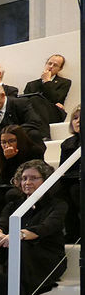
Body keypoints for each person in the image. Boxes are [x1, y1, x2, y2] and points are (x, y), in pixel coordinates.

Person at [0, 160, 68, 295]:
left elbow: (46, 228)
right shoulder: (13, 205)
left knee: (18, 247)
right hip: (16, 254)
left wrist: (17, 235)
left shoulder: (58, 205)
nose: (27, 182)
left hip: (46, 257)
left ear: (46, 181)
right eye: (24, 178)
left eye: (33, 178)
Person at [0, 124, 46, 212]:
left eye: (11, 141)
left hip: (29, 185)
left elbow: (32, 174)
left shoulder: (34, 151)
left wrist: (13, 160)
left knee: (12, 194)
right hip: (7, 186)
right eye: (3, 142)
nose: (7, 145)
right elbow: (0, 179)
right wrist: (7, 160)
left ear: (20, 140)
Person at [23, 54, 72, 123]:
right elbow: (25, 102)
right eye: (49, 63)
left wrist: (47, 81)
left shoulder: (65, 82)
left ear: (60, 69)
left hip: (52, 115)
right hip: (32, 116)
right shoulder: (31, 84)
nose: (51, 66)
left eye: (55, 65)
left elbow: (56, 99)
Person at [58, 104, 81, 243]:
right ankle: (72, 232)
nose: (78, 121)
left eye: (81, 118)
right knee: (59, 192)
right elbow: (63, 169)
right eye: (75, 118)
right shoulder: (67, 143)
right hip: (71, 179)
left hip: (79, 182)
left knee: (75, 190)